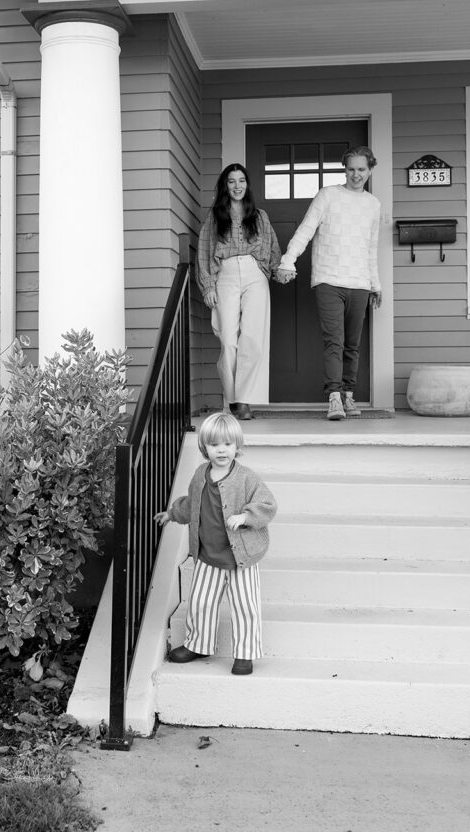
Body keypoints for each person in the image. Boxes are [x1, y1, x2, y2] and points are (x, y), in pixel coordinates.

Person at [153, 411, 277, 675]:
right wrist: (172, 514)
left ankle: (244, 653)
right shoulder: (201, 475)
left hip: (240, 558)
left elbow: (268, 505)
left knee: (245, 606)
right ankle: (198, 644)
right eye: (214, 445)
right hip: (208, 555)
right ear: (204, 447)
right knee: (200, 602)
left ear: (237, 446)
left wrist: (246, 516)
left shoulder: (246, 478)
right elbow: (192, 504)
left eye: (228, 444)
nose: (222, 450)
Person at [276, 146, 382, 420]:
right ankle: (334, 398)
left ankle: (349, 396)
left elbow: (371, 248)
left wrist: (375, 283)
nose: (356, 175)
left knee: (353, 344)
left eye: (361, 169)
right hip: (328, 279)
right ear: (344, 170)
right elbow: (306, 230)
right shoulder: (328, 195)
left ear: (370, 170)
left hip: (359, 282)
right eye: (351, 169)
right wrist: (288, 261)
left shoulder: (373, 204)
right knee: (334, 340)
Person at [196, 163, 282, 421]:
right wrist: (208, 286)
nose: (237, 186)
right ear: (225, 185)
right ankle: (232, 398)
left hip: (255, 274)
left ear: (247, 184)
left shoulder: (259, 216)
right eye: (231, 181)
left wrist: (279, 271)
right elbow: (203, 252)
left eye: (241, 180)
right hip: (226, 274)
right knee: (228, 340)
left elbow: (272, 247)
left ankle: (242, 401)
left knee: (253, 339)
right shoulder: (215, 217)